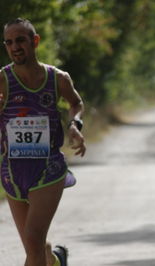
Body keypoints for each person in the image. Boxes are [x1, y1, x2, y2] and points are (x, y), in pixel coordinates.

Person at [0, 18, 86, 266]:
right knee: (34, 246)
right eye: (9, 42)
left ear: (34, 41)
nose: (15, 47)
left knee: (33, 240)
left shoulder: (57, 78)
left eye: (20, 40)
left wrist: (74, 125)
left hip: (48, 169)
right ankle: (56, 260)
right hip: (12, 171)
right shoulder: (3, 80)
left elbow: (76, 103)